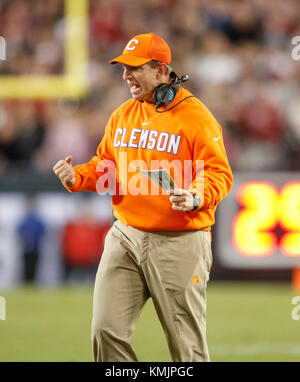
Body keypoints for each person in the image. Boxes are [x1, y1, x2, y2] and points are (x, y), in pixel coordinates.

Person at [53, 32, 233, 362]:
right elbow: (106, 166)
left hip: (179, 240)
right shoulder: (122, 114)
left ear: (161, 71)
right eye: (123, 68)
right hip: (125, 235)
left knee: (186, 347)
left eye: (135, 68)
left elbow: (219, 173)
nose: (126, 75)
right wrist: (78, 176)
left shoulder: (195, 116)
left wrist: (196, 196)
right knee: (105, 330)